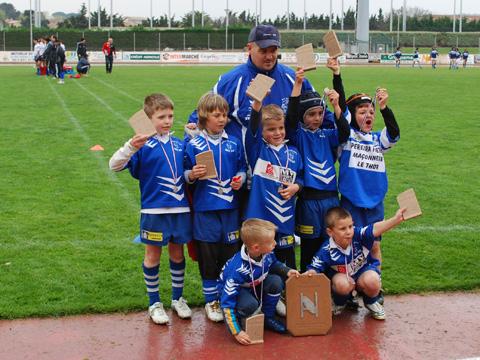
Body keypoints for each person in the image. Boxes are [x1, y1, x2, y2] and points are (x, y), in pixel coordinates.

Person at [109, 93, 193, 325]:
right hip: (154, 213)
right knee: (152, 255)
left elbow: (188, 174)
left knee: (178, 254)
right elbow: (113, 165)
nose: (167, 121)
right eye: (161, 116)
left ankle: (177, 299)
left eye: (170, 116)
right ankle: (154, 303)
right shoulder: (142, 146)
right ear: (148, 119)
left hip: (180, 211)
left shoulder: (180, 143)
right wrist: (130, 147)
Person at [185, 24, 316, 144]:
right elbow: (202, 113)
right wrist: (192, 132)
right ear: (250, 48)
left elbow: (318, 110)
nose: (269, 56)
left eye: (273, 50)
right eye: (263, 51)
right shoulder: (231, 81)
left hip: (287, 164)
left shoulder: (294, 78)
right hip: (246, 165)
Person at [184, 93, 247, 322]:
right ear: (204, 116)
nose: (222, 119)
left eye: (224, 115)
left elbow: (241, 168)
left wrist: (240, 178)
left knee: (230, 257)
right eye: (216, 115)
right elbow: (183, 174)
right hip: (206, 212)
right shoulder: (193, 144)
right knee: (208, 258)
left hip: (230, 210)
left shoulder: (233, 143)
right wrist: (192, 174)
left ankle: (226, 297)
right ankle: (211, 301)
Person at [286, 59, 350, 273]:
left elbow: (344, 132)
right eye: (311, 114)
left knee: (333, 248)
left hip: (331, 200)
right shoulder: (298, 135)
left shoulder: (327, 134)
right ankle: (307, 294)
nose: (317, 118)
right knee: (309, 251)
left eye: (320, 114)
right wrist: (297, 85)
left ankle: (332, 291)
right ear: (302, 117)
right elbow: (290, 119)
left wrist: (336, 105)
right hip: (308, 202)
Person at [337, 87, 400, 287]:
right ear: (353, 115)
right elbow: (342, 118)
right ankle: (349, 291)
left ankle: (375, 291)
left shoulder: (377, 139)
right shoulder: (346, 138)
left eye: (371, 112)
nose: (368, 115)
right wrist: (337, 75)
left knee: (374, 247)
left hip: (374, 202)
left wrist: (384, 108)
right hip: (351, 201)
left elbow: (394, 133)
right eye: (362, 111)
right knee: (349, 247)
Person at [304, 206, 406, 320]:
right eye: (343, 229)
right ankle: (340, 302)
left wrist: (396, 219)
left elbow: (374, 229)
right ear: (330, 232)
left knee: (373, 280)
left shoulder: (358, 234)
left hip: (363, 273)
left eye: (350, 226)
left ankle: (371, 302)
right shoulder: (326, 250)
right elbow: (314, 267)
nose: (348, 232)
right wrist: (310, 272)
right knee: (341, 284)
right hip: (344, 279)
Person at [219, 218, 300, 345]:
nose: (275, 243)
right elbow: (227, 303)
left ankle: (268, 317)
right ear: (256, 247)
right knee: (250, 305)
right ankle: (242, 317)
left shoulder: (266, 252)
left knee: (276, 281)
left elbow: (273, 263)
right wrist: (236, 332)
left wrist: (287, 271)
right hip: (236, 291)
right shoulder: (237, 270)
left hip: (254, 283)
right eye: (271, 241)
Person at [244, 98, 303, 270]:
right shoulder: (257, 150)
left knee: (288, 261)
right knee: (262, 262)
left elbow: (301, 177)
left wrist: (296, 187)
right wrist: (256, 104)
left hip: (286, 217)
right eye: (271, 129)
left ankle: (287, 294)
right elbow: (252, 128)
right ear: (261, 132)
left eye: (281, 128)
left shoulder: (293, 152)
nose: (277, 133)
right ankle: (264, 294)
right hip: (262, 219)